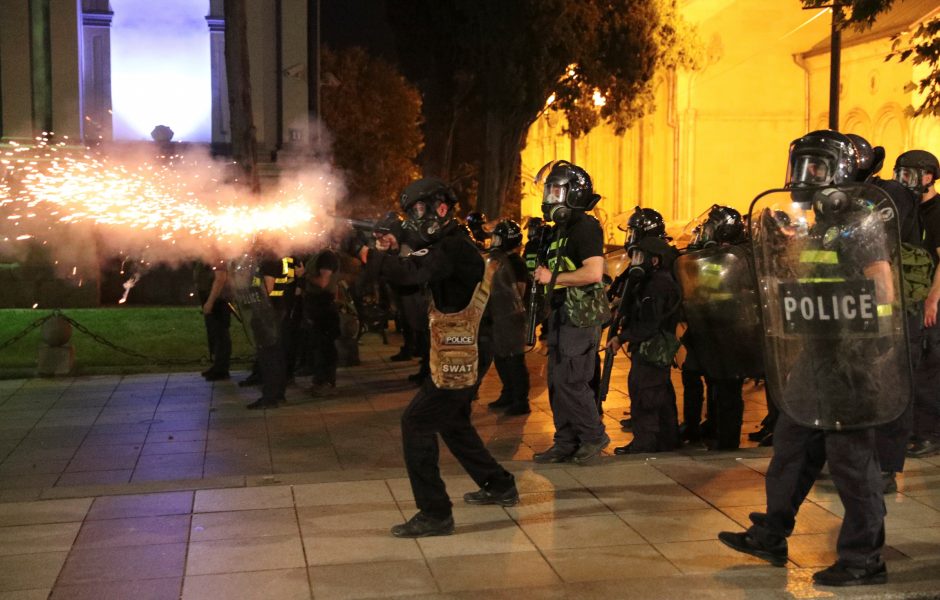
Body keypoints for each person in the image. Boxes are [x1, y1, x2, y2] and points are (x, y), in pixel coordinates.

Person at [719, 130, 910, 587]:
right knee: (792, 442)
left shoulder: (858, 222)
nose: (806, 177)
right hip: (818, 353)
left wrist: (856, 337)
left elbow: (881, 289)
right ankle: (772, 532)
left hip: (851, 357)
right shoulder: (823, 224)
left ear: (841, 171)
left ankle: (864, 558)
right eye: (802, 165)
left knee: (849, 458)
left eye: (817, 167)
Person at [360, 177, 518, 538]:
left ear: (440, 209)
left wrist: (380, 253)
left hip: (468, 347)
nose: (414, 218)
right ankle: (498, 484)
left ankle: (435, 513)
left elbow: (411, 272)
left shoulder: (454, 247)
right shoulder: (445, 244)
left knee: (416, 422)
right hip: (461, 346)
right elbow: (408, 276)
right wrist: (394, 246)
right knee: (451, 420)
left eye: (417, 210)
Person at [531, 161, 611, 465]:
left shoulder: (586, 227)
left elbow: (593, 273)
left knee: (571, 381)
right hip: (563, 314)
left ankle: (593, 436)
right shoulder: (560, 230)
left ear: (573, 193)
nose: (550, 197)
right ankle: (565, 441)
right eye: (549, 190)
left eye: (556, 190)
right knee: (556, 380)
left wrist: (551, 278)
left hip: (581, 315)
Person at [676, 205, 756, 451]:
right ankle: (711, 426)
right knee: (710, 380)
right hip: (710, 327)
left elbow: (723, 289)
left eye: (711, 227)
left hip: (731, 331)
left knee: (728, 388)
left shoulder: (738, 257)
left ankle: (728, 440)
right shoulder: (716, 256)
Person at [606, 235, 681, 454]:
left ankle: (645, 443)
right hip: (654, 346)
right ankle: (667, 439)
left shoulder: (658, 284)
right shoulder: (653, 281)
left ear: (655, 260)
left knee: (645, 394)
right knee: (660, 394)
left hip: (652, 348)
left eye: (640, 256)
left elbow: (649, 323)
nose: (636, 261)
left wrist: (622, 338)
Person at [896, 149, 940, 459]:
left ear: (927, 176)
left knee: (929, 369)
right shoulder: (908, 208)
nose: (902, 180)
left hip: (931, 302)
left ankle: (929, 434)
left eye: (908, 174)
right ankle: (913, 429)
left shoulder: (938, 210)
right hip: (910, 301)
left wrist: (932, 301)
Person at [484, 219, 531, 415]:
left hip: (511, 317)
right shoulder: (500, 261)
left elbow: (519, 291)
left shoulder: (516, 263)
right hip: (499, 316)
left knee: (514, 360)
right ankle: (508, 392)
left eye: (496, 237)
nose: (493, 241)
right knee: (501, 357)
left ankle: (520, 400)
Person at [194, 260, 232, 381]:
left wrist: (210, 302)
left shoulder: (217, 253)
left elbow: (220, 278)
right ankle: (217, 366)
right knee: (215, 334)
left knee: (221, 334)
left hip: (218, 300)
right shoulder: (209, 253)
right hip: (213, 298)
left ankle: (221, 369)